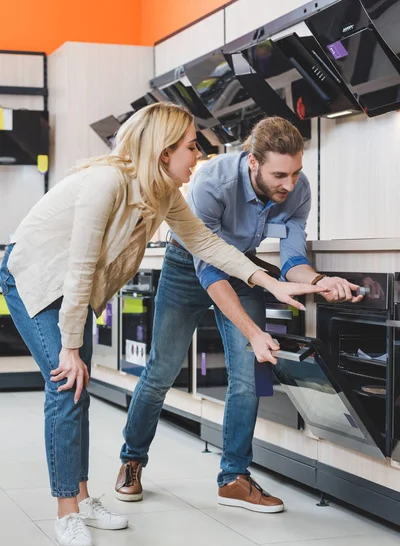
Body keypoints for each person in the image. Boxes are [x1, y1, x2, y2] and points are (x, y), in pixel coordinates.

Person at [0, 104, 321, 546]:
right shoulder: (107, 183)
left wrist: (270, 281)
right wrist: (71, 345)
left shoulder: (163, 192)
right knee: (66, 386)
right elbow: (80, 266)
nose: (198, 155)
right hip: (33, 277)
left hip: (72, 289)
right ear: (164, 150)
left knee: (79, 387)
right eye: (191, 147)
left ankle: (84, 497)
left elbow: (209, 244)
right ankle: (66, 512)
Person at [115, 116, 362, 514]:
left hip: (242, 265)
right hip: (188, 264)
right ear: (251, 161)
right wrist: (252, 330)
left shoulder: (296, 190)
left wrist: (319, 279)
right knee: (162, 369)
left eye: (296, 172)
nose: (290, 183)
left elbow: (292, 259)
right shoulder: (212, 182)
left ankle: (233, 477)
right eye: (280, 174)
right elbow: (209, 267)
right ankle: (132, 459)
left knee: (246, 373)